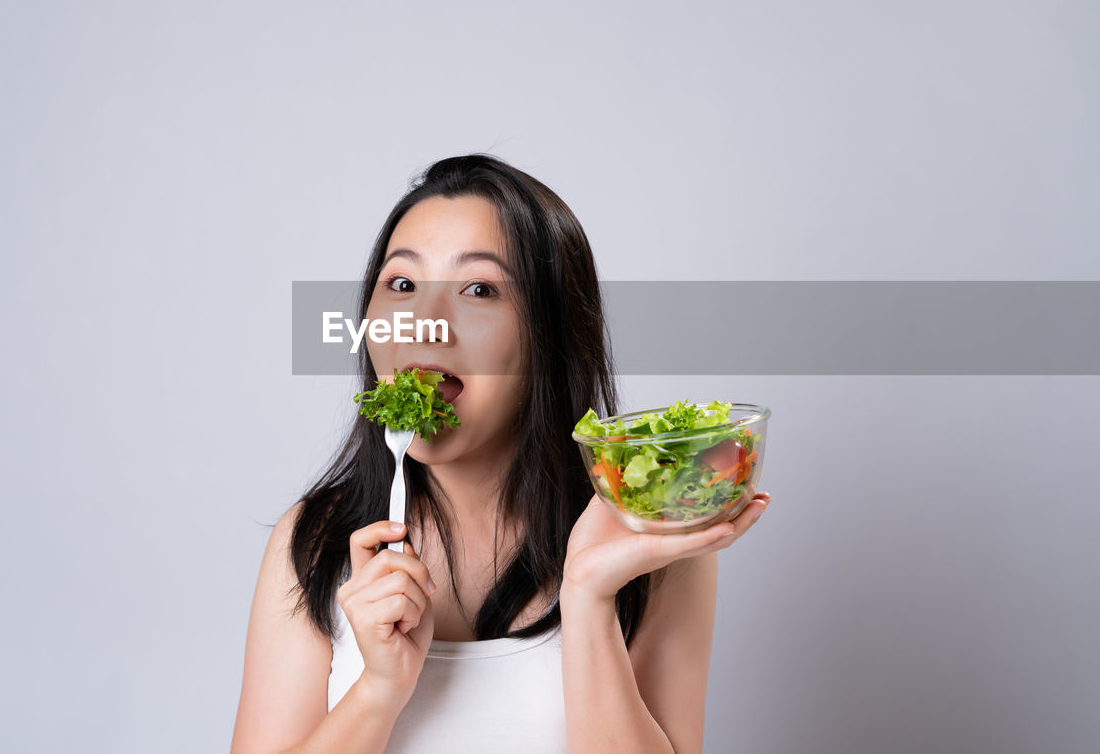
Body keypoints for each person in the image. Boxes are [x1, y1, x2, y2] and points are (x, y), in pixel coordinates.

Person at [231, 154, 771, 753]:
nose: (423, 324)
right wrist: (378, 689)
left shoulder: (648, 535)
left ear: (551, 334)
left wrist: (588, 599)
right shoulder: (312, 541)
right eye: (402, 285)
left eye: (479, 289)